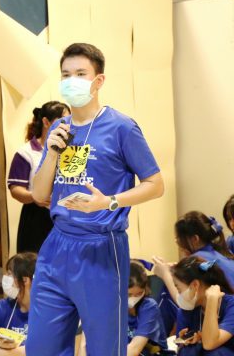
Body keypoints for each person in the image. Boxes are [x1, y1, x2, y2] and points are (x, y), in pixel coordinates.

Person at [26, 43, 164, 356]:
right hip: (56, 247)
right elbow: (39, 194)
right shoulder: (59, 128)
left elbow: (156, 185)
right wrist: (52, 153)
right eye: (65, 75)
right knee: (41, 347)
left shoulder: (121, 128)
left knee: (104, 348)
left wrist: (109, 202)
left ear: (98, 81)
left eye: (80, 74)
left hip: (101, 249)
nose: (71, 81)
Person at [153, 211, 234, 336]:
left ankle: (158, 340)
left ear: (195, 239)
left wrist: (165, 274)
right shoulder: (225, 254)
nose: (180, 248)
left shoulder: (199, 259)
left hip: (221, 319)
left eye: (180, 242)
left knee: (167, 293)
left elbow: (185, 299)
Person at [8, 101, 70, 253]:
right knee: (35, 262)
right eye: (63, 121)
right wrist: (35, 197)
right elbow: (16, 190)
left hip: (65, 216)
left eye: (70, 120)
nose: (67, 125)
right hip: (37, 218)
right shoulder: (26, 153)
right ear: (46, 122)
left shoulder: (72, 149)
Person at [172, 255, 234, 355]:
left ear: (195, 285)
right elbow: (180, 349)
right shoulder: (185, 311)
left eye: (179, 289)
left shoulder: (231, 306)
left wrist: (211, 300)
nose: (179, 295)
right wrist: (189, 343)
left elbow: (210, 344)